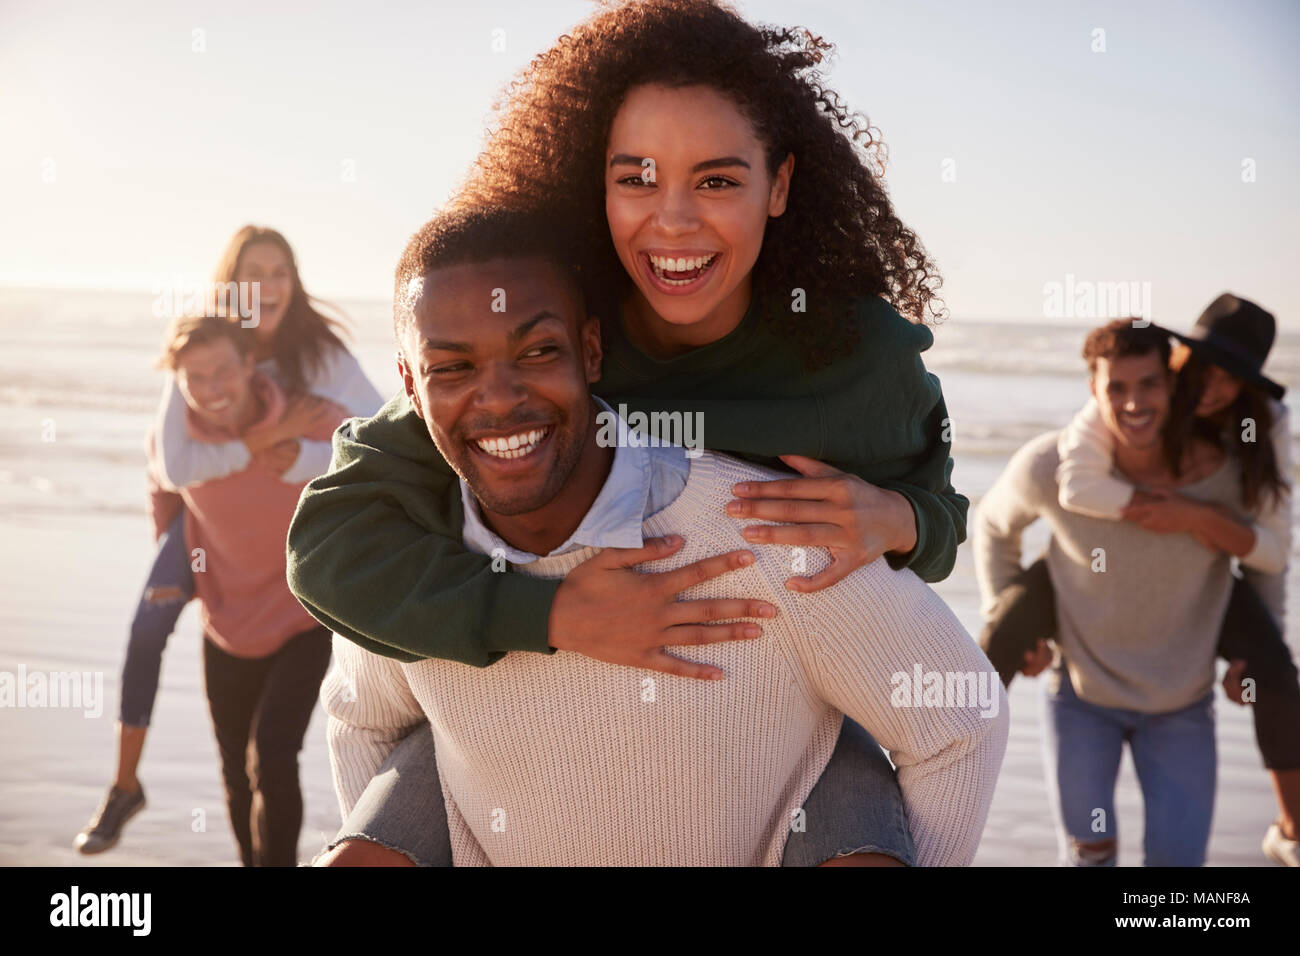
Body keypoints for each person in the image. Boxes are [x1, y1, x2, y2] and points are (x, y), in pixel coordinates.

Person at [295, 0, 961, 867]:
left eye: (717, 180)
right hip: (520, 741)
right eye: (635, 178)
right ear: (593, 181)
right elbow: (329, 543)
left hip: (765, 738)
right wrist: (552, 613)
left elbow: (940, 515)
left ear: (781, 184)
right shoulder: (545, 347)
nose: (672, 221)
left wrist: (901, 518)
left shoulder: (854, 356)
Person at [321, 205, 1008, 866]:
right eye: (451, 368)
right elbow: (362, 722)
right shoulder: (405, 564)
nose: (499, 398)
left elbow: (960, 718)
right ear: (409, 384)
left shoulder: (763, 526)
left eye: (538, 351)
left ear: (591, 352)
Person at [74, 225, 383, 854]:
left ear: (294, 283)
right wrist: (255, 448)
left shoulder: (319, 358)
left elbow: (377, 440)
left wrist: (298, 457)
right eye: (253, 272)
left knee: (270, 752)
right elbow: (171, 462)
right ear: (230, 283)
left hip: (290, 563)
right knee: (148, 627)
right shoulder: (206, 344)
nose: (267, 286)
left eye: (279, 272)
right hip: (203, 538)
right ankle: (124, 781)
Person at [980, 295, 1299, 867]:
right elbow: (993, 525)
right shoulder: (1056, 462)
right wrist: (1007, 610)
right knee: (1088, 857)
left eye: (1148, 385)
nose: (1134, 402)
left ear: (1167, 382)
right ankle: (933, 799)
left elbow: (1267, 562)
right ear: (1095, 392)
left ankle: (1292, 831)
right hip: (1082, 696)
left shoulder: (1235, 468)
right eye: (1117, 389)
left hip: (1180, 703)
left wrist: (1261, 652)